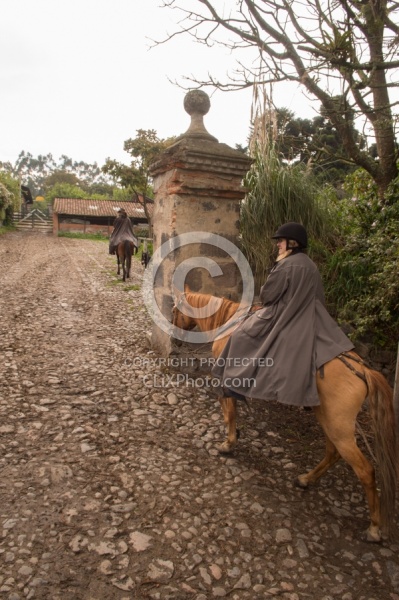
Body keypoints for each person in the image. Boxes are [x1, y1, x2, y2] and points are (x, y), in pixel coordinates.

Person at [212, 222, 354, 407]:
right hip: (312, 316)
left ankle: (235, 385)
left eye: (281, 241)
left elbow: (268, 297)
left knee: (240, 335)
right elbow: (319, 296)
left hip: (282, 313)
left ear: (292, 243)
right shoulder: (311, 266)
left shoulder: (286, 265)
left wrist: (266, 288)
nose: (278, 245)